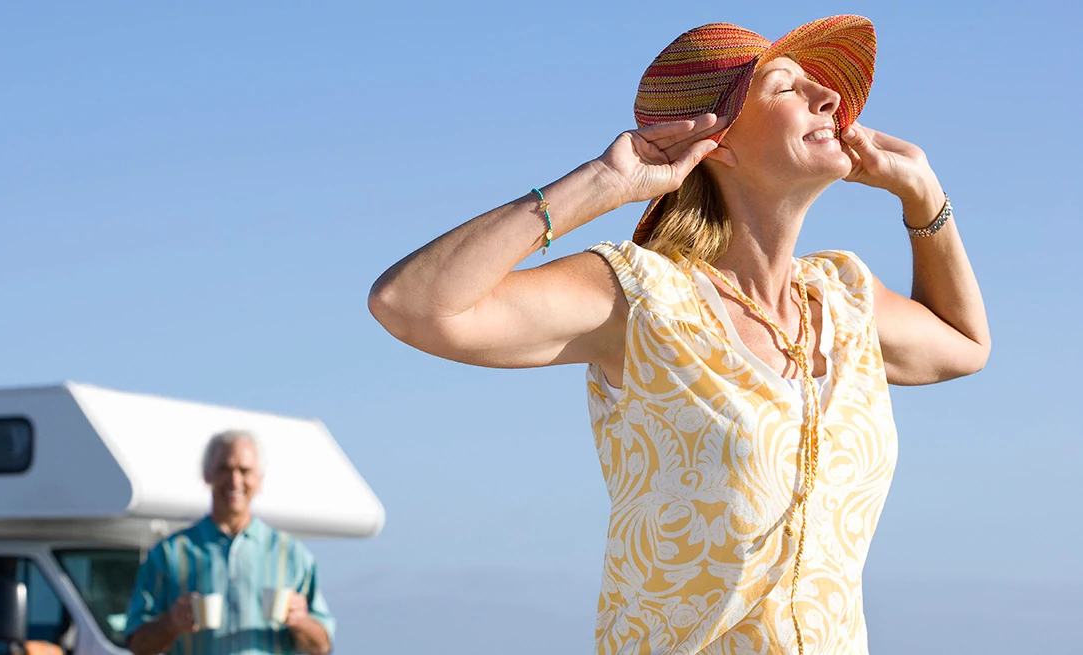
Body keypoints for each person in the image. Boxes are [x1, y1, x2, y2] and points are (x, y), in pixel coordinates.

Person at [367, 14, 988, 655]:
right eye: (786, 87)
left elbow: (965, 344)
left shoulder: (845, 299)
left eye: (821, 87)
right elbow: (410, 304)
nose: (828, 97)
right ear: (715, 139)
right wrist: (600, 185)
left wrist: (924, 197)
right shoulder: (642, 299)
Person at [124, 430, 335, 655]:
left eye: (245, 471)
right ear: (207, 475)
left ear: (259, 480)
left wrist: (301, 622)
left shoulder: (291, 554)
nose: (235, 480)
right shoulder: (169, 554)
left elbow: (322, 647)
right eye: (224, 469)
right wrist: (171, 623)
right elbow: (138, 645)